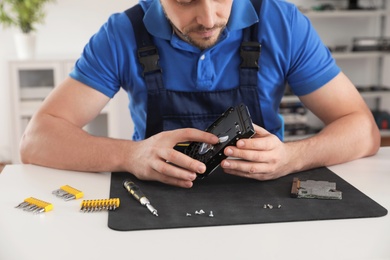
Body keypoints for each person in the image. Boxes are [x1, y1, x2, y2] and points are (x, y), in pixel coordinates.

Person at [19, 0, 380, 188]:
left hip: (265, 201)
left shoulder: (283, 23)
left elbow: (363, 131)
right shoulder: (122, 33)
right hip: (154, 201)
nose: (208, 19)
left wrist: (292, 158)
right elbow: (37, 140)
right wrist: (132, 156)